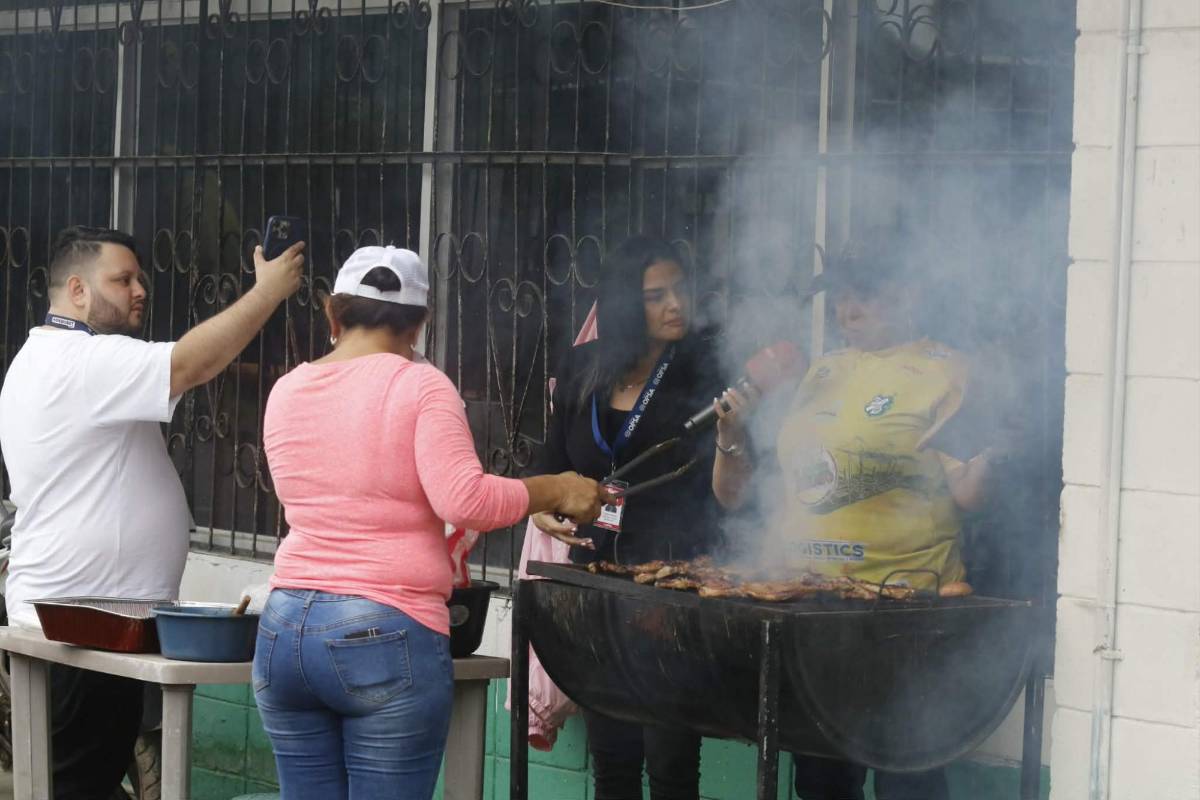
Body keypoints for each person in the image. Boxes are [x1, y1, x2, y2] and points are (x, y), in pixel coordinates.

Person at [254, 245, 606, 800]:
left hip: (283, 627)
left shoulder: (286, 389)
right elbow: (465, 501)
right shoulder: (421, 385)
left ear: (332, 313)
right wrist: (556, 486)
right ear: (420, 323)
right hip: (381, 628)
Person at [0, 225, 305, 800]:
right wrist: (266, 293)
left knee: (85, 781)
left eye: (140, 277)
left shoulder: (53, 356)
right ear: (76, 290)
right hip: (75, 617)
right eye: (122, 279)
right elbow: (190, 364)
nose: (140, 289)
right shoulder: (80, 358)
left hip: (95, 616)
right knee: (75, 784)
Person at [712, 243, 994, 800]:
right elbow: (738, 496)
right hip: (815, 611)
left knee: (906, 780)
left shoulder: (950, 370)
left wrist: (996, 447)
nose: (848, 308)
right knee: (820, 782)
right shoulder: (823, 369)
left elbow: (968, 494)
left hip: (904, 617)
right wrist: (731, 434)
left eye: (864, 293)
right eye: (840, 296)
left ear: (909, 293)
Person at [532, 235, 727, 800]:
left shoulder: (703, 372)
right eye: (655, 295)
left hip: (670, 589)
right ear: (623, 304)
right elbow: (553, 466)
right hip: (593, 591)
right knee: (612, 763)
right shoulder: (583, 370)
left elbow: (724, 488)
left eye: (681, 290)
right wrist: (545, 510)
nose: (675, 304)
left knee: (669, 765)